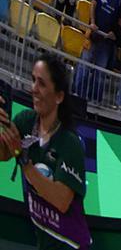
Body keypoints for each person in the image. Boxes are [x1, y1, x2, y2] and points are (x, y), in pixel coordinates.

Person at [0, 53, 92, 250]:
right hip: (43, 240)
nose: (33, 89)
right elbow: (3, 153)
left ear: (59, 96)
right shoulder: (26, 121)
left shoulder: (70, 142)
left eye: (41, 83)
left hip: (72, 245)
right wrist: (4, 127)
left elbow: (61, 201)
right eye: (33, 80)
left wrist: (24, 161)